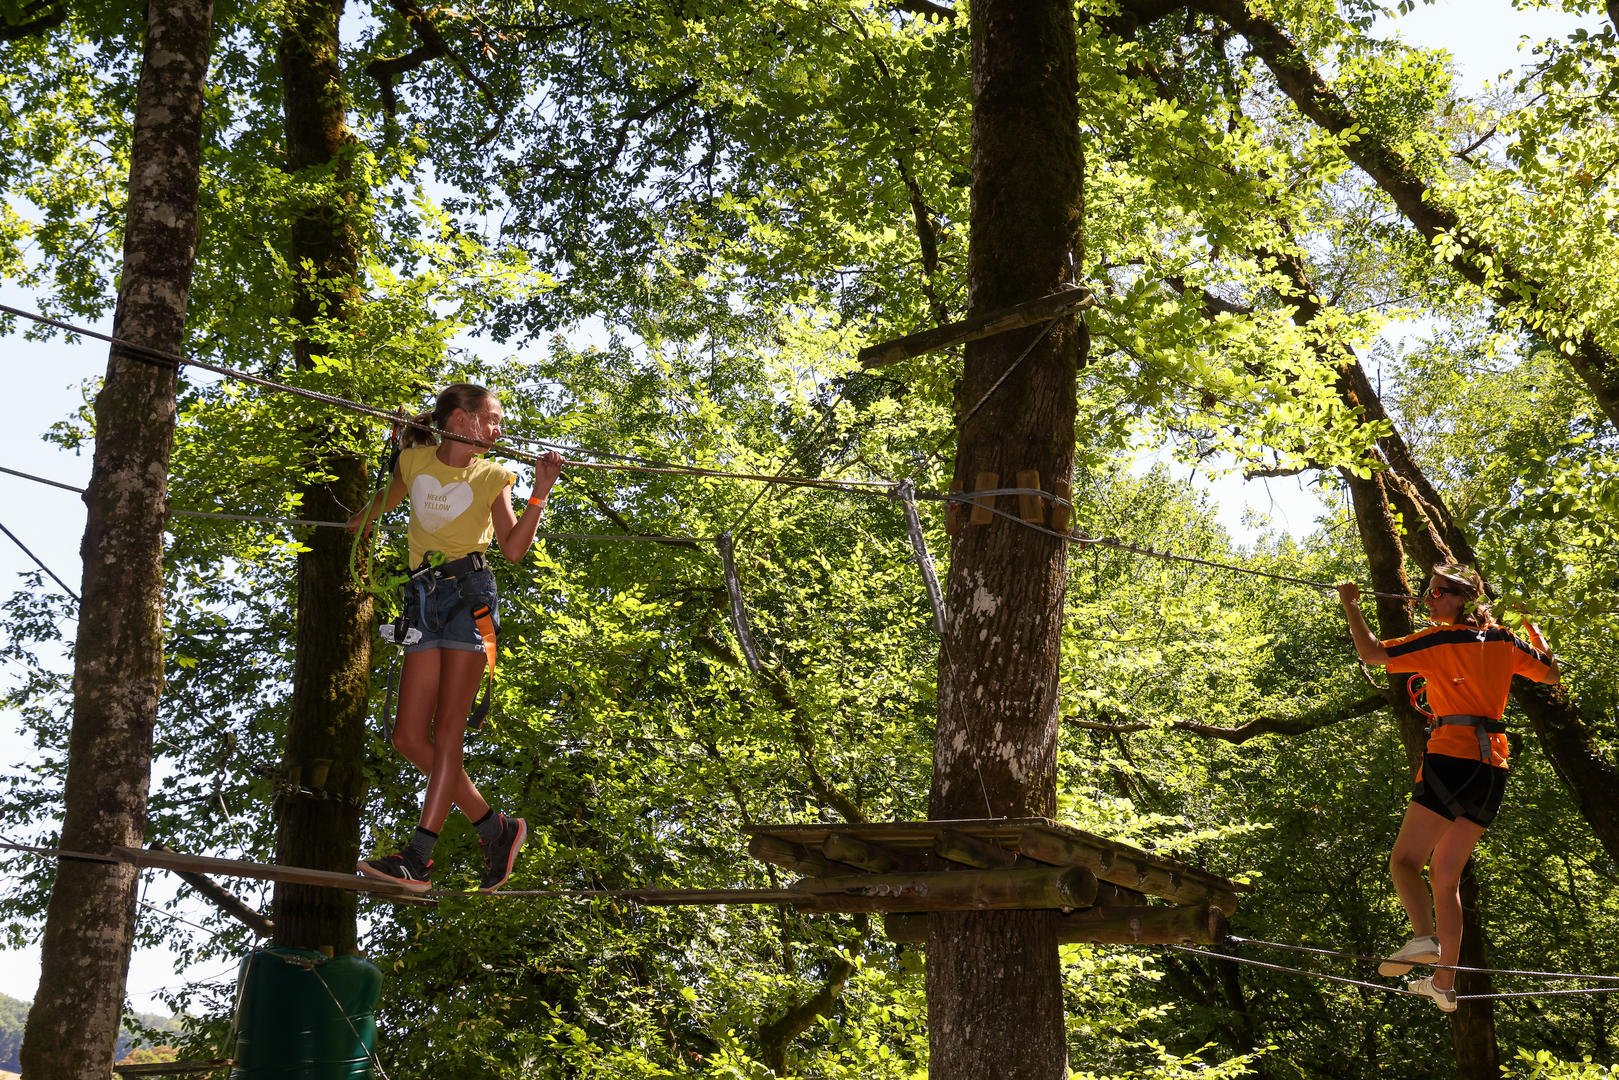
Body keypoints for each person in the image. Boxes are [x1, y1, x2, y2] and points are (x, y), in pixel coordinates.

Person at [347, 382, 564, 893]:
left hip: (470, 597)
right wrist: (345, 525)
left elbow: (512, 550)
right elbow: (379, 506)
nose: (498, 429)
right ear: (462, 420)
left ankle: (418, 857)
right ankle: (496, 828)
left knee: (448, 734)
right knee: (406, 737)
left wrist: (540, 492)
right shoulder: (414, 462)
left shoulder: (493, 475)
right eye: (491, 419)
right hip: (423, 601)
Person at [1337, 564, 1558, 1011]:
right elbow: (1550, 673)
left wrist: (1351, 605)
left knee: (1404, 861)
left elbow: (1373, 654)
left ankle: (1422, 938)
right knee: (1445, 876)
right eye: (1428, 592)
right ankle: (1444, 983)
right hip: (1492, 767)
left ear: (1460, 599)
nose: (1429, 598)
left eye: (1437, 592)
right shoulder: (1504, 641)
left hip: (1451, 757)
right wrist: (1528, 622)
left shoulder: (1437, 641)